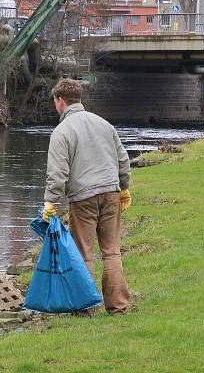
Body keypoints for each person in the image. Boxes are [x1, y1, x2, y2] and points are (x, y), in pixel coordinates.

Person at [42, 78, 132, 314]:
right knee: (112, 251)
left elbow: (57, 173)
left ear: (60, 101)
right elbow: (123, 160)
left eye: (55, 101)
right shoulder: (104, 124)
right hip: (111, 193)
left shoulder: (62, 131)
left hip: (83, 198)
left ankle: (85, 308)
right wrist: (124, 188)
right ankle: (118, 307)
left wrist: (50, 202)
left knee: (83, 253)